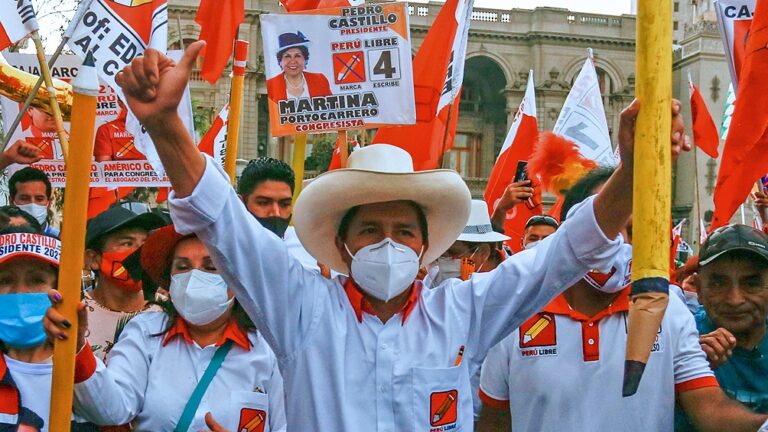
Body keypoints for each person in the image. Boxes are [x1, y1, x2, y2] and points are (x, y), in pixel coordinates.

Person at [61, 42, 685, 431]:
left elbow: (568, 249)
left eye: (402, 232)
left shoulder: (464, 310)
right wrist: (169, 128)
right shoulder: (301, 307)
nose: (388, 244)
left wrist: (634, 172)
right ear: (342, 246)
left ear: (425, 247)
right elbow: (223, 219)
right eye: (371, 231)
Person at [476, 173, 768, 432]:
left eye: (634, 231)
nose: (622, 243)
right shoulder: (516, 312)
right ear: (574, 231)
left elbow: (710, 409)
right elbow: (495, 421)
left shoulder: (667, 308)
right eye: (609, 228)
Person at [45, 225, 287, 431]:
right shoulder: (145, 333)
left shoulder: (269, 350)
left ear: (236, 279)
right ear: (169, 279)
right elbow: (112, 409)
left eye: (211, 267)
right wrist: (77, 348)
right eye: (182, 267)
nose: (194, 277)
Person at [0, 228, 93, 431]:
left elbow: (112, 413)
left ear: (60, 288)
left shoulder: (83, 374)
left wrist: (77, 348)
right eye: (5, 280)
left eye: (37, 280)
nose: (20, 292)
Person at [693, 225, 768, 413]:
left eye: (751, 283)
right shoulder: (680, 341)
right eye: (718, 283)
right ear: (699, 289)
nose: (735, 300)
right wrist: (687, 369)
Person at [83, 205, 165, 360]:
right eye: (127, 243)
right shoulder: (74, 314)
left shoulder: (169, 313)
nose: (141, 253)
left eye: (146, 243)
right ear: (94, 259)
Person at [237, 157, 318, 270]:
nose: (276, 213)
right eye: (263, 203)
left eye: (284, 204)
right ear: (241, 203)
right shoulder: (221, 250)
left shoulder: (312, 251)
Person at [430, 199, 510, 286]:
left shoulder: (512, 284)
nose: (443, 260)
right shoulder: (434, 281)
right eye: (441, 253)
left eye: (453, 252)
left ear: (483, 252)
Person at [266, 31, 332, 102]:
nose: (293, 61)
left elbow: (332, 108)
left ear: (305, 60)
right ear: (280, 62)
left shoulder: (320, 80)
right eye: (287, 56)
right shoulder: (271, 85)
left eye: (297, 56)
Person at [9, 167, 59, 237]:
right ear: (11, 201)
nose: (32, 204)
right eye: (24, 198)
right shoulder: (2, 236)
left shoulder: (62, 240)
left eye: (39, 199)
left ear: (49, 203)